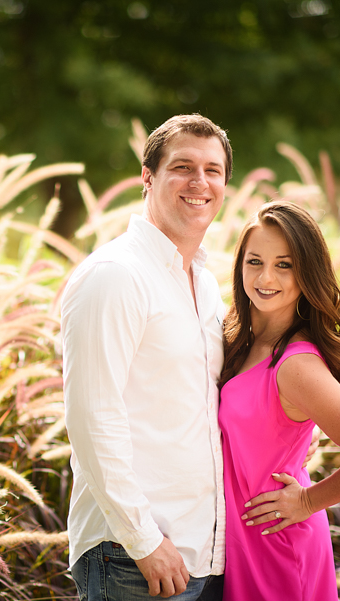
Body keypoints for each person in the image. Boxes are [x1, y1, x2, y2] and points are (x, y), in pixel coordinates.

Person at [62, 114, 231, 600]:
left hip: (202, 554)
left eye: (213, 171)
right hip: (133, 557)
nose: (200, 182)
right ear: (148, 176)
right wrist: (144, 540)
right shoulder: (116, 275)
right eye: (182, 167)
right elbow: (92, 416)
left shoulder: (205, 281)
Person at [218, 201, 340, 600]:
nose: (266, 277)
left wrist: (306, 501)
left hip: (279, 542)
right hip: (244, 543)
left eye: (284, 265)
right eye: (254, 261)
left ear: (307, 273)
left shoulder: (295, 364)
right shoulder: (240, 341)